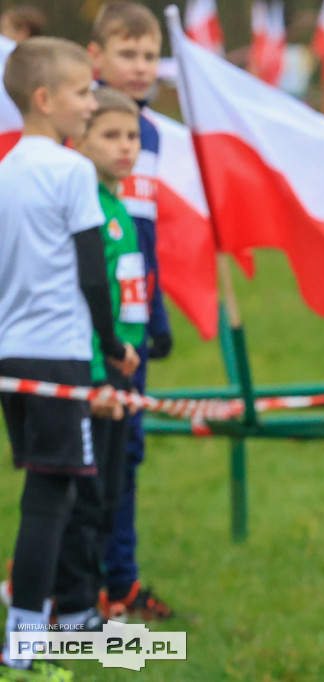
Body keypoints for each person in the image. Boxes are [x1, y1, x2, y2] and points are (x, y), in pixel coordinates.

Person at [0, 36, 139, 680]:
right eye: (83, 93)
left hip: (11, 355)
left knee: (44, 490)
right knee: (51, 499)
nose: (91, 103)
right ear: (44, 98)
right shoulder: (72, 170)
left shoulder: (4, 172)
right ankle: (29, 642)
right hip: (59, 357)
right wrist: (112, 348)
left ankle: (55, 622)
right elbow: (93, 277)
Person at [87, 1, 175, 622]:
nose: (141, 67)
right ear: (96, 57)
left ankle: (117, 577)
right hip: (96, 330)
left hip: (134, 324)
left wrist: (157, 313)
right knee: (96, 456)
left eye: (149, 55)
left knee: (128, 452)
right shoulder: (84, 124)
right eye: (127, 54)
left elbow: (140, 238)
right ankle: (88, 583)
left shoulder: (152, 133)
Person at [50, 87, 148, 633]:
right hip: (92, 370)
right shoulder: (85, 202)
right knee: (83, 497)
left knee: (108, 492)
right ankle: (73, 613)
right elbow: (81, 293)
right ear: (79, 140)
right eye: (110, 136)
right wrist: (96, 373)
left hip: (123, 364)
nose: (125, 147)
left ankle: (88, 603)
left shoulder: (119, 203)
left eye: (131, 136)